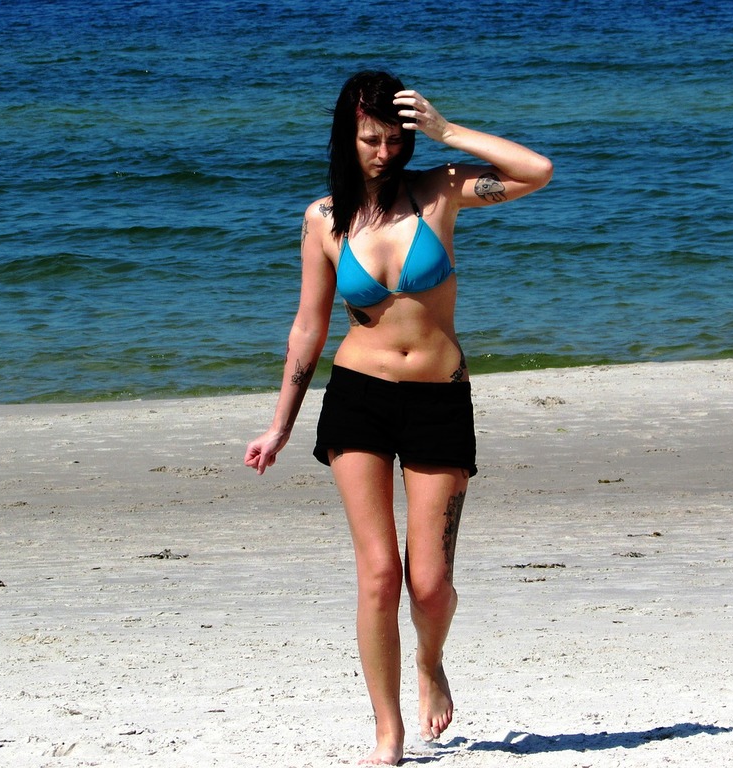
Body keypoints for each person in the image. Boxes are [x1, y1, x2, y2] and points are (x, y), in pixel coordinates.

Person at [244, 70, 552, 765]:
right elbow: (307, 328)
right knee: (380, 575)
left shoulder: (441, 189)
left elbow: (536, 170)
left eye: (394, 138)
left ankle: (430, 660)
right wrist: (281, 424)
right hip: (357, 399)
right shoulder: (324, 219)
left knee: (431, 584)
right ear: (347, 139)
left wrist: (445, 130)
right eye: (370, 139)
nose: (384, 152)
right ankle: (387, 733)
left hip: (439, 399)